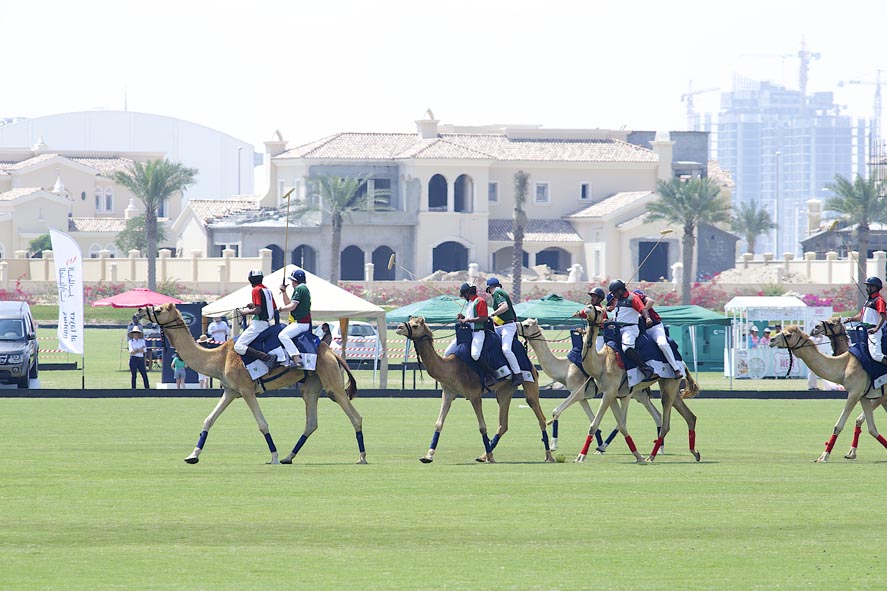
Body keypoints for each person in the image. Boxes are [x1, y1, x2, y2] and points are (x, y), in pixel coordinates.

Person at [608, 279, 656, 381]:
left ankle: (645, 368)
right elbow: (618, 316)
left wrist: (647, 318)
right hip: (617, 329)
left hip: (629, 329)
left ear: (620, 290)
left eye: (614, 292)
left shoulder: (633, 298)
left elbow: (643, 309)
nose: (613, 295)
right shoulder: (617, 301)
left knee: (627, 348)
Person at [633, 288, 683, 378]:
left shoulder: (637, 296)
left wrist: (642, 312)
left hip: (655, 327)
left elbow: (651, 301)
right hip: (642, 331)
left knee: (662, 344)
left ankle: (676, 369)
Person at [232, 269, 279, 366]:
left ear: (250, 280)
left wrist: (245, 312)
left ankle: (267, 358)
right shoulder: (267, 290)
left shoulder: (255, 290)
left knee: (238, 346)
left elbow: (258, 311)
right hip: (266, 324)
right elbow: (272, 308)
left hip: (258, 324)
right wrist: (253, 306)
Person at [485, 277, 523, 385]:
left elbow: (505, 307)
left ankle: (518, 373)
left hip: (507, 327)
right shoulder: (500, 292)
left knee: (506, 349)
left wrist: (492, 314)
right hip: (500, 326)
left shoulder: (498, 292)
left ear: (490, 288)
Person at [444, 283, 488, 365]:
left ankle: (488, 374)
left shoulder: (480, 301)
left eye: (464, 295)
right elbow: (469, 318)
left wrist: (468, 320)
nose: (464, 297)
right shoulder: (470, 303)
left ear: (468, 293)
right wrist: (463, 318)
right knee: (447, 352)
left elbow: (484, 318)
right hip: (467, 333)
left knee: (475, 355)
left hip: (478, 333)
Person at [845, 276, 887, 363]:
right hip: (864, 332)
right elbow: (861, 316)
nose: (867, 288)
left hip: (874, 332)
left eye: (869, 286)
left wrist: (876, 329)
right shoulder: (868, 301)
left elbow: (883, 316)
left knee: (877, 356)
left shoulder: (879, 300)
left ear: (874, 287)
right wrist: (851, 319)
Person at [278, 268, 311, 368]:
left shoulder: (300, 289)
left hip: (301, 323)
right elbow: (289, 304)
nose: (291, 283)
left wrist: (279, 309)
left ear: (295, 280)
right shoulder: (303, 288)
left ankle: (297, 359)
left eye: (292, 280)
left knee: (282, 336)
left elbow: (291, 307)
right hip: (302, 323)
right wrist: (284, 292)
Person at [127, 325, 150, 390]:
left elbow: (144, 350)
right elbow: (131, 351)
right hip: (134, 359)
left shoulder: (142, 341)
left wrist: (137, 350)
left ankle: (147, 389)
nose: (136, 334)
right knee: (134, 375)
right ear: (133, 334)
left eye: (137, 333)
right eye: (134, 333)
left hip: (140, 359)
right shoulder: (130, 342)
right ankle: (133, 389)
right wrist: (139, 350)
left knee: (144, 374)